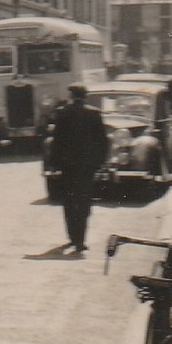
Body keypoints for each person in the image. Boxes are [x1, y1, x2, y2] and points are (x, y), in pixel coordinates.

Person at [45, 84, 109, 254]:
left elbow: (56, 141)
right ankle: (81, 240)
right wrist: (101, 162)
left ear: (71, 96)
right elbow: (102, 141)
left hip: (67, 166)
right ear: (85, 96)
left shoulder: (63, 113)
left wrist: (53, 164)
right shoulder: (94, 113)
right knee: (84, 201)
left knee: (69, 202)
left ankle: (72, 237)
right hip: (87, 166)